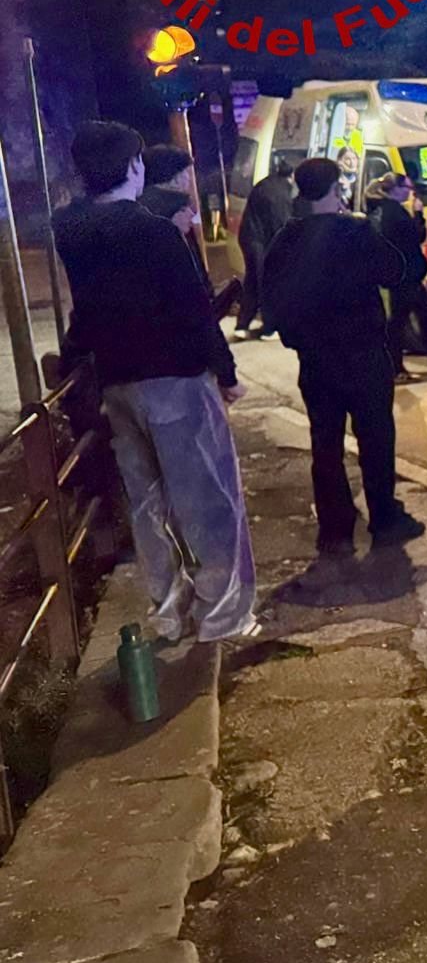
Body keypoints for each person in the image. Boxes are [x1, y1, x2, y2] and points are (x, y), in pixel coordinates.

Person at [53, 121, 257, 642]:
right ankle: (222, 615)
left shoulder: (71, 231)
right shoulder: (155, 232)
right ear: (133, 166)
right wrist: (227, 374)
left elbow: (88, 309)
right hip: (176, 381)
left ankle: (167, 610)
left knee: (147, 503)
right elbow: (194, 312)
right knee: (206, 500)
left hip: (117, 382)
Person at [262, 159, 426, 555]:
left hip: (316, 358)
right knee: (375, 437)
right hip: (363, 351)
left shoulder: (287, 238)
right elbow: (396, 271)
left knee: (326, 443)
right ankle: (384, 517)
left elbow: (272, 296)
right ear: (336, 190)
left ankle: (335, 529)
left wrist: (294, 338)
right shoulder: (356, 231)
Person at [366, 172, 427, 381]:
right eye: (407, 188)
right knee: (402, 322)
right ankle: (397, 366)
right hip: (405, 273)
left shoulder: (381, 210)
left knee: (420, 317)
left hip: (399, 273)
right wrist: (418, 215)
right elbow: (415, 237)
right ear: (395, 190)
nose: (410, 193)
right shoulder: (394, 212)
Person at [235, 162, 295, 338]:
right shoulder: (282, 193)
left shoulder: (265, 184)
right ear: (291, 176)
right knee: (268, 284)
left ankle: (242, 325)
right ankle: (269, 328)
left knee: (252, 281)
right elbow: (281, 224)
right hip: (262, 242)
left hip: (248, 237)